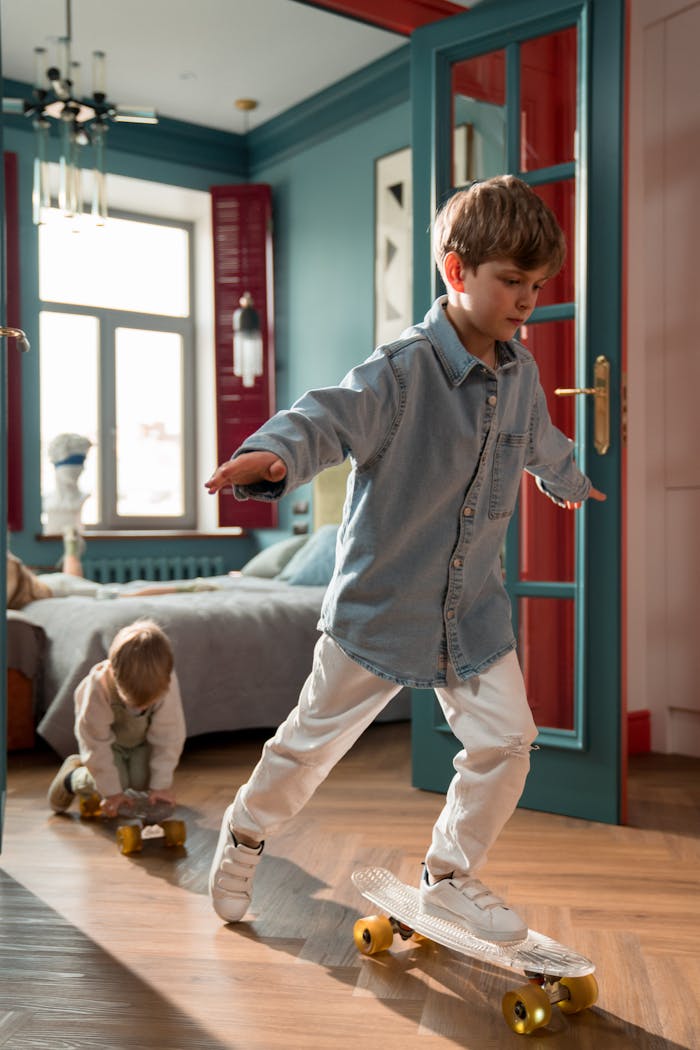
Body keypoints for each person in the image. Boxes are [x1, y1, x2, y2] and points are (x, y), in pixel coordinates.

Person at [205, 175, 606, 942]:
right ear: (458, 273)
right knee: (310, 746)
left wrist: (568, 480)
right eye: (511, 282)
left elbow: (540, 443)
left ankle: (449, 877)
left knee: (507, 741)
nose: (527, 300)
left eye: (537, 285)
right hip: (380, 607)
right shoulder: (401, 370)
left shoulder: (520, 377)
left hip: (473, 615)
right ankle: (248, 832)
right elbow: (322, 417)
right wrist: (271, 456)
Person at [47, 619, 187, 818]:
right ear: (114, 673)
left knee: (143, 779)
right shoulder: (97, 688)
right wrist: (112, 793)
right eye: (133, 703)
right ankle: (72, 777)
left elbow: (169, 737)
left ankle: (128, 780)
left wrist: (160, 787)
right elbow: (96, 744)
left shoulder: (166, 682)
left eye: (147, 704)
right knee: (110, 781)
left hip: (140, 744)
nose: (140, 709)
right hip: (107, 746)